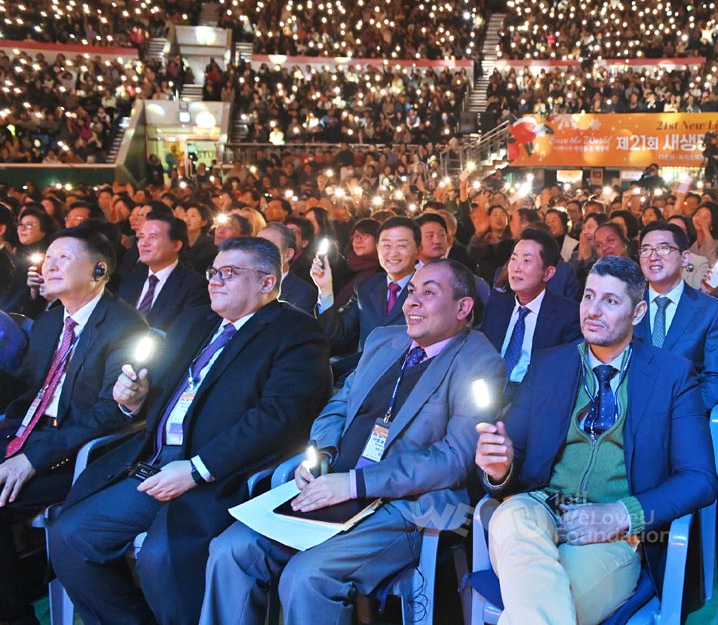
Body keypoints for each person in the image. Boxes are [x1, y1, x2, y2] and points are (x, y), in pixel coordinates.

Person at [201, 260, 505, 625]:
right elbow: (338, 405)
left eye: (429, 293)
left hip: (405, 505)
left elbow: (454, 458)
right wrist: (323, 453)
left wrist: (355, 484)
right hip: (333, 485)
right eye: (411, 291)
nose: (412, 302)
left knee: (307, 576)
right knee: (230, 550)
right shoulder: (384, 341)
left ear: (463, 307)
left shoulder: (478, 361)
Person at [49, 237, 332, 625]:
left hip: (221, 474)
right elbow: (158, 390)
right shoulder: (197, 322)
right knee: (70, 537)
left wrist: (199, 468)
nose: (215, 280)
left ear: (267, 282)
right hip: (155, 464)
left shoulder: (295, 332)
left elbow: (279, 417)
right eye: (213, 271)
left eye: (229, 273)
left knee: (160, 559)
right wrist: (134, 398)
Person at [475, 256, 717, 624]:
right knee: (510, 515)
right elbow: (514, 452)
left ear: (637, 313)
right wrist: (499, 469)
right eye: (588, 297)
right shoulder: (551, 365)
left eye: (610, 301)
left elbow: (699, 478)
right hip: (541, 508)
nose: (592, 310)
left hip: (614, 532)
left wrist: (622, 514)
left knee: (549, 603)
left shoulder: (670, 375)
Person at [0, 227, 148, 625]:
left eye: (62, 258)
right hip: (29, 435)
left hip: (79, 454)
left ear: (99, 270)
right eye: (48, 257)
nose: (49, 265)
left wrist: (33, 458)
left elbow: (109, 413)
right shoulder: (50, 321)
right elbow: (32, 392)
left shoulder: (124, 326)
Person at [634, 222, 718, 408]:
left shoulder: (710, 310)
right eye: (646, 250)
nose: (653, 257)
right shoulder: (628, 305)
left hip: (682, 413)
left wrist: (684, 411)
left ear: (685, 258)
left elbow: (717, 377)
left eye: (663, 248)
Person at [481, 229, 580, 397]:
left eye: (526, 261)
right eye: (513, 259)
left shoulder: (568, 315)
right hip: (489, 391)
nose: (516, 268)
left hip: (535, 395)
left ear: (548, 273)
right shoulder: (496, 307)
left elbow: (563, 375)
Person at [313, 216, 418, 361]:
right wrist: (325, 289)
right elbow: (339, 333)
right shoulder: (366, 287)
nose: (393, 253)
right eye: (386, 245)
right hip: (364, 369)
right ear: (378, 248)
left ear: (418, 249)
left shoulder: (429, 290)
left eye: (402, 245)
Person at [118, 211, 209, 331]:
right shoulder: (131, 279)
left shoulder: (195, 286)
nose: (143, 243)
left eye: (153, 237)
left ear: (176, 245)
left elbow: (182, 333)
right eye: (141, 237)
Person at [258, 222, 317, 313]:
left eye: (268, 246)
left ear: (288, 254)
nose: (259, 252)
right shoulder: (244, 282)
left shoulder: (303, 294)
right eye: (257, 246)